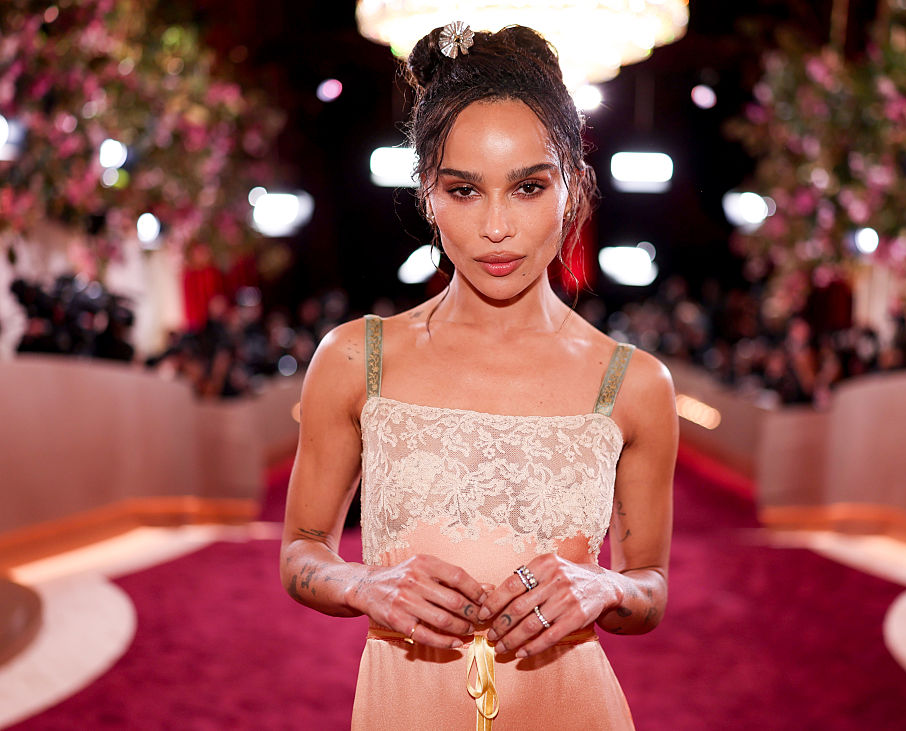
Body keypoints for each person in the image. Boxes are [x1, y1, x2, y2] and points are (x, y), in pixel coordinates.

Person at [280, 22, 678, 729]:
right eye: (464, 190)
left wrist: (604, 587)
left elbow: (649, 587)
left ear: (571, 185)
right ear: (427, 195)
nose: (497, 226)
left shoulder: (635, 383)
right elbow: (301, 550)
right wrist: (365, 583)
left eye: (528, 186)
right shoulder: (354, 359)